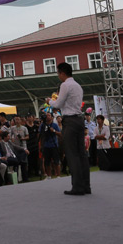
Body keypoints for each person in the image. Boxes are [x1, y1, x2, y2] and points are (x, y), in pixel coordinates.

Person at [47, 62, 89, 195]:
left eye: (58, 73)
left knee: (72, 154)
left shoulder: (65, 85)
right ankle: (86, 186)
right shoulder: (77, 85)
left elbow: (58, 103)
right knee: (82, 154)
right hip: (79, 119)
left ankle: (77, 187)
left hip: (69, 120)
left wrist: (49, 101)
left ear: (62, 73)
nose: (58, 76)